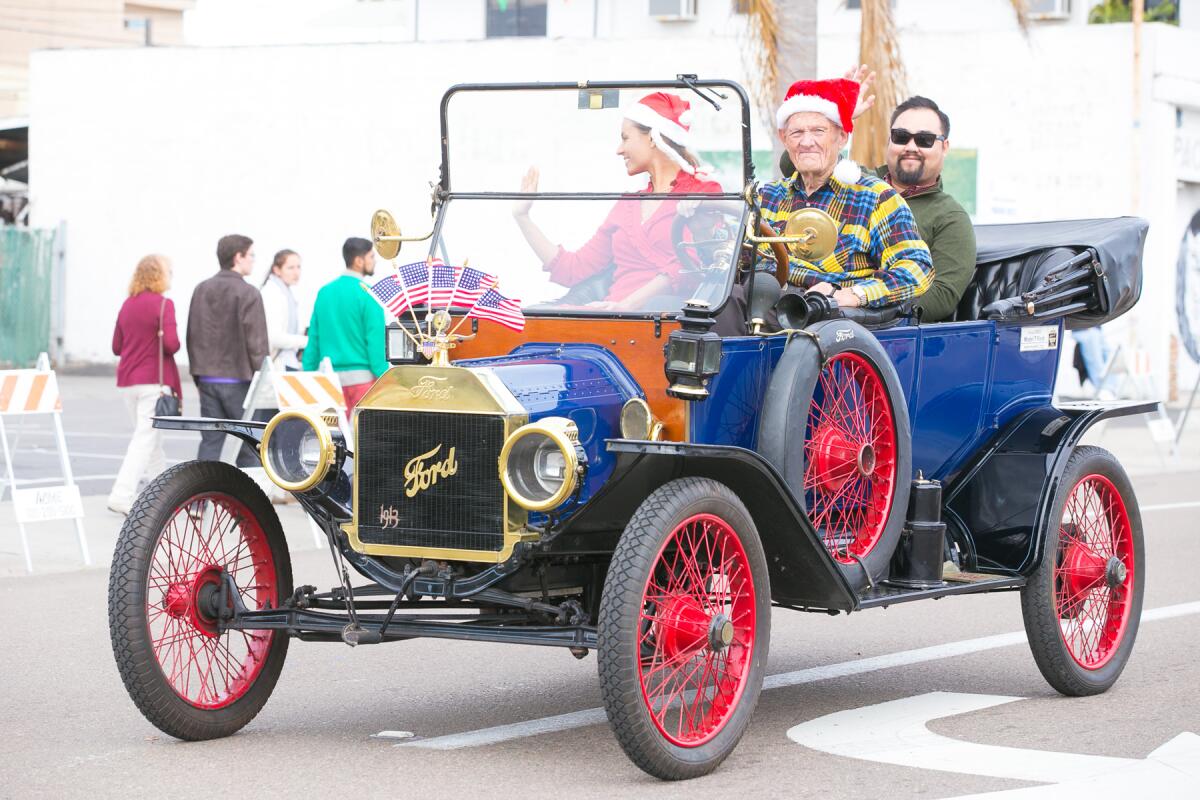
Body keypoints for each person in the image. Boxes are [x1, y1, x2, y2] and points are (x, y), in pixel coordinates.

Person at [512, 92, 722, 310]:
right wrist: (522, 217)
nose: (619, 149)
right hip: (614, 322)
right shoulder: (627, 205)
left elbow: (691, 266)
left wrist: (625, 306)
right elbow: (573, 269)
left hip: (666, 325)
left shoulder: (702, 192)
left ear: (653, 137)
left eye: (625, 138)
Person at [759, 78, 933, 310]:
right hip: (764, 300)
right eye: (796, 133)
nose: (806, 142)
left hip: (827, 314)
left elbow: (917, 267)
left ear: (841, 137)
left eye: (818, 131)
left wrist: (853, 294)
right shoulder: (768, 195)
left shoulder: (875, 198)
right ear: (784, 139)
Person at [107, 254, 182, 515]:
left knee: (151, 440)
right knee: (144, 439)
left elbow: (117, 347)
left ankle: (165, 495)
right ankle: (122, 493)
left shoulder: (127, 305)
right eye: (169, 271)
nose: (172, 275)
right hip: (153, 382)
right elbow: (172, 345)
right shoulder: (164, 305)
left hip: (128, 381)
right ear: (159, 275)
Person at [186, 233, 268, 465]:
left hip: (208, 378)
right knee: (251, 444)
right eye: (250, 255)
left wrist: (198, 377)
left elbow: (193, 334)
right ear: (238, 257)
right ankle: (247, 499)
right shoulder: (249, 293)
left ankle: (202, 497)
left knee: (210, 443)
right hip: (239, 380)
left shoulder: (201, 289)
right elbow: (257, 343)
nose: (253, 260)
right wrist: (264, 378)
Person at [302, 237, 388, 412]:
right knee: (361, 437)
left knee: (331, 437)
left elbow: (314, 338)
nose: (375, 261)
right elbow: (376, 343)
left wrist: (308, 374)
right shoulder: (369, 295)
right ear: (358, 261)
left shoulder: (324, 292)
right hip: (362, 382)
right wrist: (386, 379)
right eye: (371, 256)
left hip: (329, 381)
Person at [260, 248, 307, 371]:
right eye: (290, 268)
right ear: (277, 270)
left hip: (289, 361)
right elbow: (274, 337)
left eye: (298, 267)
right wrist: (307, 341)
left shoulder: (288, 293)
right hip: (279, 363)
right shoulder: (271, 293)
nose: (296, 272)